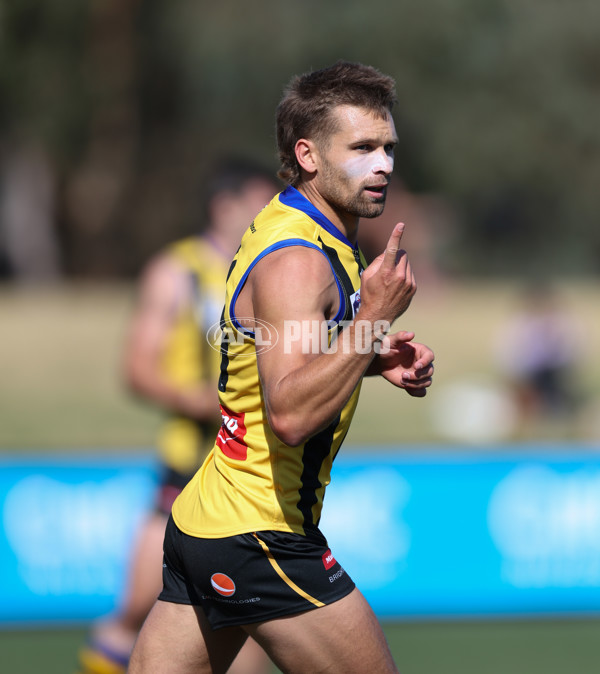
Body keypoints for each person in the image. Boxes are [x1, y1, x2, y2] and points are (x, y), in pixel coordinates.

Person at [129, 60, 435, 674]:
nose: (384, 165)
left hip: (209, 519)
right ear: (309, 154)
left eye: (389, 147)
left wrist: (371, 359)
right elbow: (290, 413)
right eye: (364, 148)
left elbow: (277, 355)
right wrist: (371, 319)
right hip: (259, 533)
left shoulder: (304, 225)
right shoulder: (299, 257)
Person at [76, 158, 278, 674]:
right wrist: (209, 402)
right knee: (135, 611)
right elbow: (138, 369)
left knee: (252, 624)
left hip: (254, 473)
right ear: (224, 205)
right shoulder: (178, 271)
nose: (271, 212)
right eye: (260, 201)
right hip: (187, 467)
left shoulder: (273, 269)